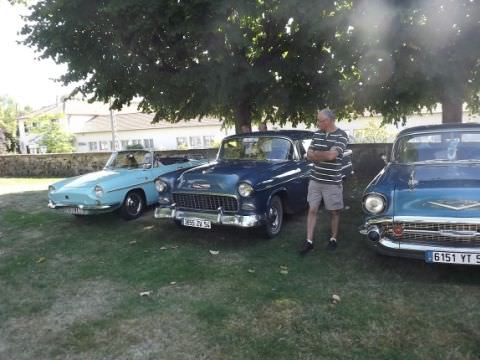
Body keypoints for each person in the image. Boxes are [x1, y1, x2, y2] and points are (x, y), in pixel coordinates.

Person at [299, 108, 348, 255]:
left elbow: (332, 156)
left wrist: (317, 155)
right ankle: (309, 241)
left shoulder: (342, 135)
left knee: (334, 211)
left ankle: (333, 238)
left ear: (329, 121)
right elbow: (308, 155)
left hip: (332, 181)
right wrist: (321, 154)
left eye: (320, 120)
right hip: (315, 179)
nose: (317, 123)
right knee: (312, 209)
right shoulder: (317, 134)